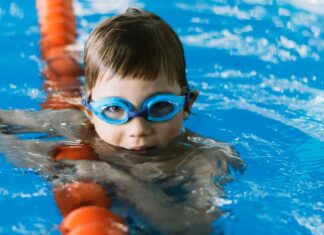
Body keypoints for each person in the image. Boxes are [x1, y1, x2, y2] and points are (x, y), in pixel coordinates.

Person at [0, 8, 244, 235]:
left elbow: (195, 227)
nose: (138, 130)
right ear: (90, 112)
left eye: (159, 106)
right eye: (114, 109)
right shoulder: (76, 124)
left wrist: (114, 177)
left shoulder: (206, 159)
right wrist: (29, 156)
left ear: (187, 105)